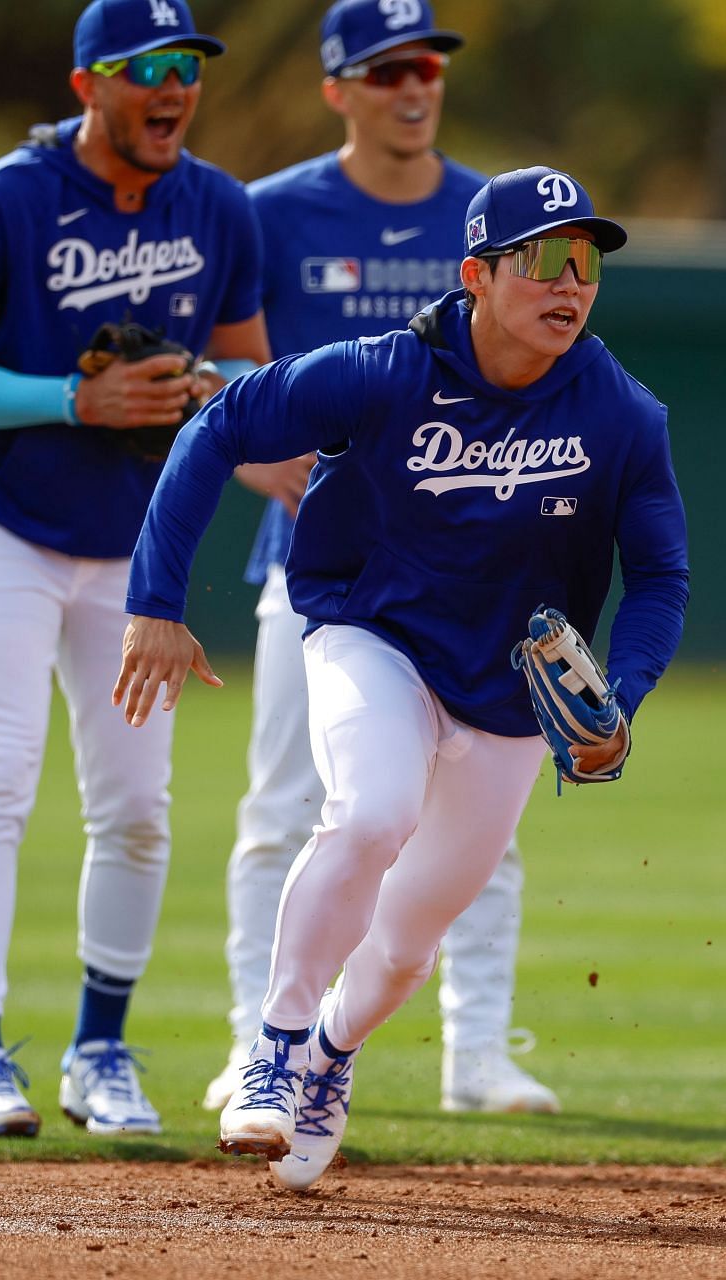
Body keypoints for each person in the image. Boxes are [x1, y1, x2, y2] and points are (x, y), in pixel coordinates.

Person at [115, 167, 689, 1189]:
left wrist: (622, 697)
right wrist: (157, 600)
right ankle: (279, 1040)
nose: (571, 282)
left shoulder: (623, 415)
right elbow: (219, 426)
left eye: (587, 260)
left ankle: (332, 1054)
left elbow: (660, 574)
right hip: (367, 632)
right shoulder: (383, 372)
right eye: (545, 258)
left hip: (512, 690)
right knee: (371, 813)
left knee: (410, 938)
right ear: (477, 272)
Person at [0, 0, 270, 1139]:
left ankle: (100, 1050)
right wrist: (74, 396)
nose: (173, 87)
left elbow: (255, 374)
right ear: (86, 85)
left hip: (133, 539)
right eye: (146, 67)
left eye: (188, 67)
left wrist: (213, 392)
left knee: (137, 805)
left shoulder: (218, 208)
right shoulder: (0, 200)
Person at [199, 0, 559, 1120]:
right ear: (339, 88)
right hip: (320, 564)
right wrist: (269, 467)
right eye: (389, 68)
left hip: (471, 568)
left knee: (481, 826)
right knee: (290, 808)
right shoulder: (273, 212)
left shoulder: (487, 212)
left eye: (430, 65)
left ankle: (479, 1048)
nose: (416, 86)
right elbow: (221, 377)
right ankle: (255, 1041)